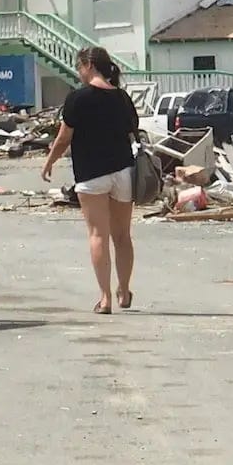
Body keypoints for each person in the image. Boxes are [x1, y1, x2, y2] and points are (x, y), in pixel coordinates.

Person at [41, 47, 139, 315]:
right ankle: (124, 290)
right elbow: (134, 133)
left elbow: (63, 139)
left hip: (91, 174)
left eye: (79, 66)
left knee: (98, 234)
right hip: (123, 172)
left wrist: (49, 162)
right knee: (122, 236)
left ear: (88, 65)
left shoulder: (77, 99)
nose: (78, 72)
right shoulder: (122, 98)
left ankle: (105, 298)